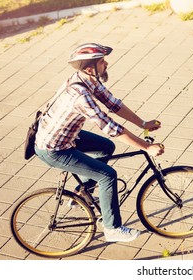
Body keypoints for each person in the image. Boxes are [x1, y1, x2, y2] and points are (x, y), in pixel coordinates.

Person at [34, 43, 165, 242]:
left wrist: (143, 123)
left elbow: (113, 104)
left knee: (106, 147)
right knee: (107, 176)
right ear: (90, 68)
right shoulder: (80, 96)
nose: (106, 64)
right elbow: (110, 127)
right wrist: (146, 146)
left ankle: (81, 194)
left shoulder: (87, 79)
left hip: (66, 136)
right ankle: (112, 229)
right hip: (54, 149)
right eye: (102, 62)